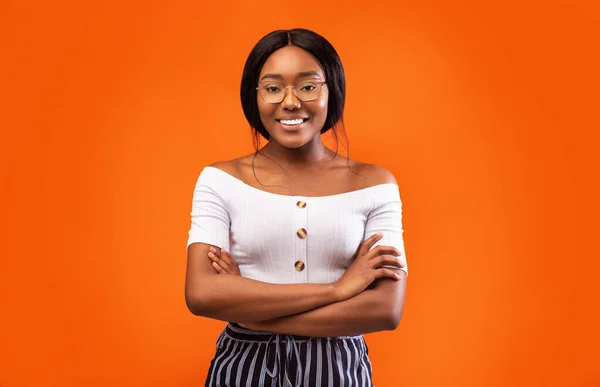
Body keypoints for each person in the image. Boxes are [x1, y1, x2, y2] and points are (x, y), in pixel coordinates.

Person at [185, 28, 408, 387]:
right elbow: (202, 294)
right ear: (254, 97)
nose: (290, 102)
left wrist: (249, 309)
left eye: (308, 86)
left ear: (331, 91)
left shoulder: (376, 184)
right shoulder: (219, 180)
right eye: (273, 88)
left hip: (339, 370)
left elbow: (385, 309)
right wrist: (338, 290)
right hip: (244, 368)